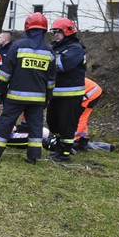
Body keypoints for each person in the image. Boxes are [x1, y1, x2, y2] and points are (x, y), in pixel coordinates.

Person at [0, 13, 56, 164]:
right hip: (38, 98)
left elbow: (5, 73)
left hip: (15, 97)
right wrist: (47, 98)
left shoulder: (18, 46)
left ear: (27, 27)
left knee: (5, 124)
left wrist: (0, 91)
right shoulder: (49, 51)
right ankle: (33, 156)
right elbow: (51, 80)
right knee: (35, 127)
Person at [47, 18, 87, 162]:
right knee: (52, 122)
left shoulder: (75, 48)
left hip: (71, 94)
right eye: (54, 32)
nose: (55, 35)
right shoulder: (56, 47)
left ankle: (65, 153)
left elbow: (62, 65)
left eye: (58, 32)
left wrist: (47, 59)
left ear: (67, 32)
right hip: (56, 93)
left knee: (66, 125)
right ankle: (58, 147)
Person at [73, 77, 103, 151]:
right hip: (93, 91)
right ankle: (83, 138)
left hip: (91, 93)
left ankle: (74, 139)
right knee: (82, 115)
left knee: (80, 116)